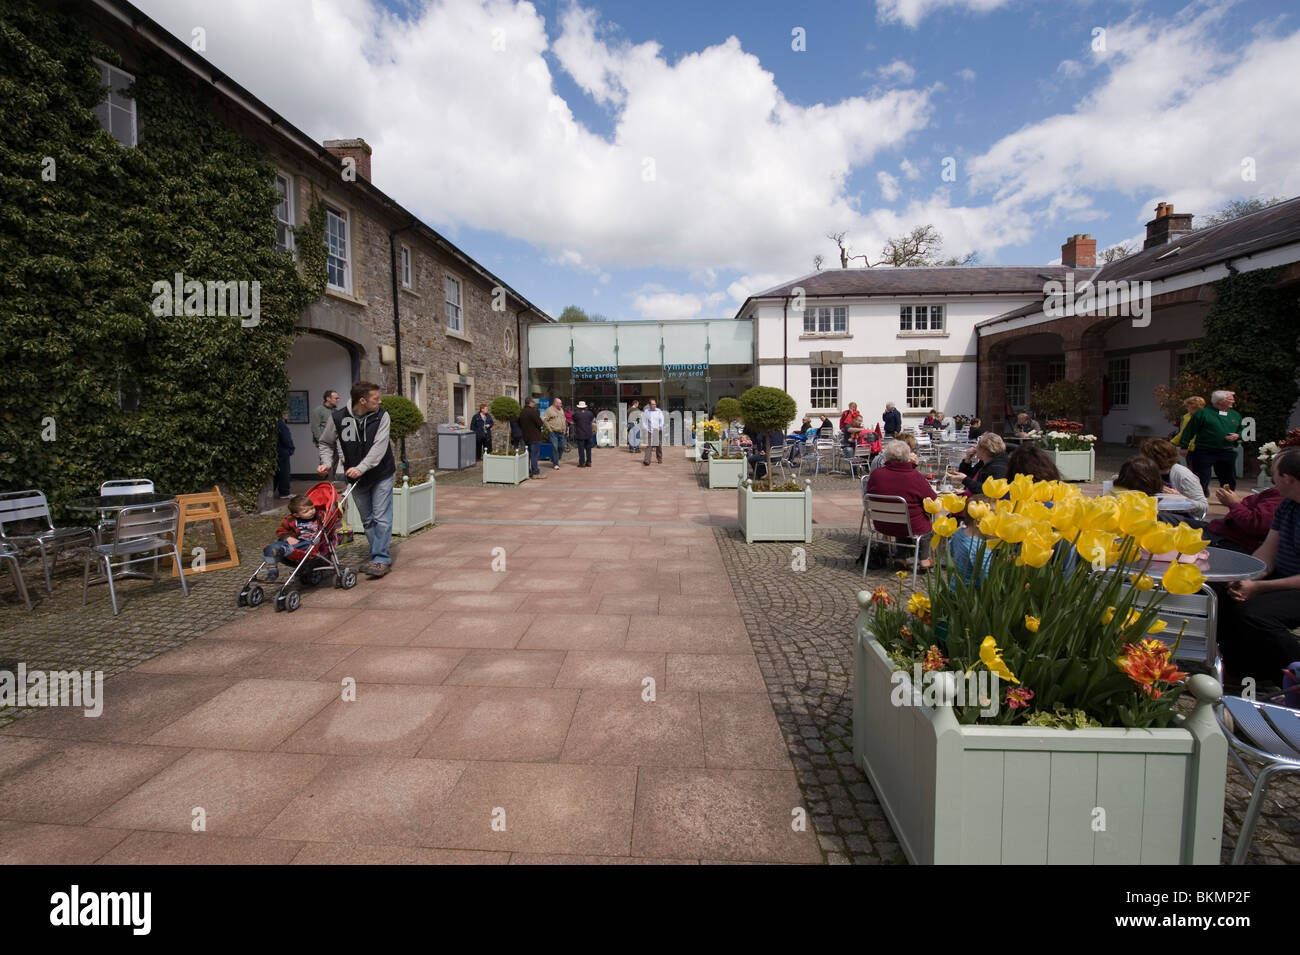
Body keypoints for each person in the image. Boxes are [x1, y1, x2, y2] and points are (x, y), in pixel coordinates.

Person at [1216, 449, 1300, 688]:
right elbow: (1267, 551)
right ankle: (1243, 671)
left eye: (1274, 475)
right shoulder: (1287, 506)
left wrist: (1260, 586)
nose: (1271, 483)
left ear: (1288, 479)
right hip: (1284, 576)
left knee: (1256, 614)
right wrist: (1247, 578)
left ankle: (1293, 674)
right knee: (1226, 594)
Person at [316, 381, 394, 578]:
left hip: (381, 473)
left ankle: (380, 558)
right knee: (367, 519)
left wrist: (361, 468)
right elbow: (325, 442)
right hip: (356, 478)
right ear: (362, 400)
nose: (380, 401)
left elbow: (379, 447)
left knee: (381, 517)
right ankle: (377, 552)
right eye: (375, 399)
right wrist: (326, 462)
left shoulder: (382, 415)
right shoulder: (338, 417)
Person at [865, 439, 938, 570]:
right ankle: (924, 560)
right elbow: (932, 498)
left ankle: (900, 557)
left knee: (902, 516)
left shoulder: (876, 474)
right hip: (911, 525)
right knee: (924, 524)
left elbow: (868, 493)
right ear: (907, 456)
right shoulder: (914, 476)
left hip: (882, 524)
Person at [1177, 389, 1242, 495]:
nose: (1233, 401)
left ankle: (1228, 495)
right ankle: (1200, 496)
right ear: (1220, 401)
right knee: (1201, 476)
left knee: (1228, 477)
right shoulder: (1203, 413)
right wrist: (1184, 446)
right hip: (1204, 451)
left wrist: (1238, 435)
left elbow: (1242, 429)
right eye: (1230, 399)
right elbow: (1189, 430)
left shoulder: (1235, 415)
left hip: (1227, 451)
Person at [1202, 485, 1283, 554]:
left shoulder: (1280, 496)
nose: (1272, 467)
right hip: (1220, 530)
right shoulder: (1279, 493)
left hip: (1230, 541)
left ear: (1287, 478)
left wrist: (1234, 504)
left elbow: (1255, 524)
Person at [260, 494, 321, 582]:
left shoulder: (319, 517)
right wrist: (287, 537)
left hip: (310, 544)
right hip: (294, 542)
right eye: (306, 511)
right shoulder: (291, 520)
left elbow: (333, 514)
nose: (311, 512)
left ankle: (282, 550)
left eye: (312, 508)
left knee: (290, 547)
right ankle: (272, 570)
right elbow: (281, 531)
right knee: (270, 547)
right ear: (296, 515)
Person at [1140, 438, 1207, 508]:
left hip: (1181, 516)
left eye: (1145, 457)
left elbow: (1203, 506)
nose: (1142, 460)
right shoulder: (1146, 472)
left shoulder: (1183, 475)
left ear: (1158, 458)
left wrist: (1180, 500)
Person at [518, 398, 545, 478]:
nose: (534, 404)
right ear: (530, 403)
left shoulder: (522, 412)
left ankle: (527, 471)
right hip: (534, 436)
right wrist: (542, 420)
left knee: (527, 455)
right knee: (534, 455)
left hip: (525, 436)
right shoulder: (532, 412)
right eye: (533, 402)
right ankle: (535, 473)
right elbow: (540, 423)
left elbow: (519, 423)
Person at [543, 398, 566, 469]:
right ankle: (556, 464)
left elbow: (563, 419)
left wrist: (564, 429)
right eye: (560, 403)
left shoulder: (561, 410)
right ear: (555, 403)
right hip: (553, 432)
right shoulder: (549, 410)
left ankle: (554, 458)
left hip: (561, 432)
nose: (561, 405)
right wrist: (549, 429)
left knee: (562, 447)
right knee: (555, 447)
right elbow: (545, 420)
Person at [275, 410, 294, 499]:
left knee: (277, 473)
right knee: (284, 472)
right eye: (285, 413)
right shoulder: (282, 425)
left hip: (278, 451)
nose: (287, 415)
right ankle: (284, 492)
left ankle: (276, 490)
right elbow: (286, 439)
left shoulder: (276, 424)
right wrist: (291, 448)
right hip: (283, 451)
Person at [641, 398, 665, 465]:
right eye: (653, 404)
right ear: (649, 405)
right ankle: (647, 460)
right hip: (649, 431)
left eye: (655, 404)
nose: (654, 405)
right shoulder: (646, 412)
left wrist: (660, 426)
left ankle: (659, 458)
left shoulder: (659, 411)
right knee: (649, 446)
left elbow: (662, 419)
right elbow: (644, 421)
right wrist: (646, 429)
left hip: (658, 430)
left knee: (658, 445)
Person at [573, 400, 595, 467]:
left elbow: (574, 420)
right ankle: (588, 462)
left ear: (579, 407)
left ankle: (582, 463)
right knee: (588, 449)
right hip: (588, 433)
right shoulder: (590, 413)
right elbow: (591, 420)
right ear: (585, 407)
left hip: (580, 433)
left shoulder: (576, 414)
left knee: (581, 449)